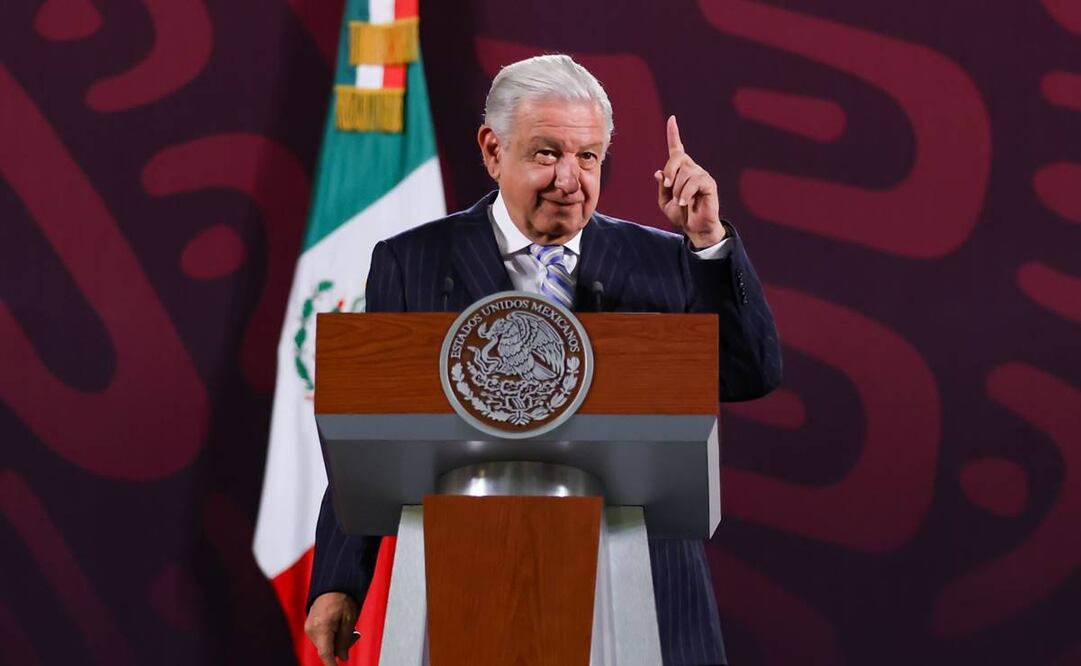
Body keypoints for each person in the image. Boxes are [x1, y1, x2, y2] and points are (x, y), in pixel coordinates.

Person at [304, 54, 782, 666]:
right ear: (492, 150)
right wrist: (341, 580)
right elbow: (371, 430)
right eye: (546, 154)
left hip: (643, 587)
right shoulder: (412, 262)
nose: (569, 179)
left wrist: (709, 243)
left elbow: (751, 373)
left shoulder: (666, 260)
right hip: (470, 581)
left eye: (588, 158)